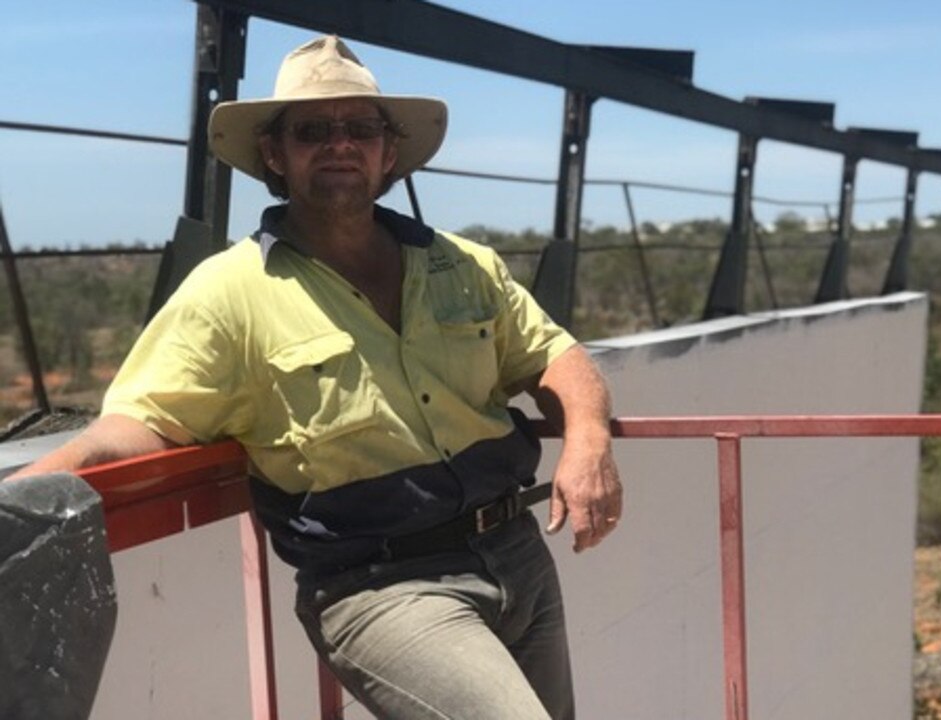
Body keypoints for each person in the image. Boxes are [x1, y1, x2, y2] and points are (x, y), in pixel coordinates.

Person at [11, 35, 621, 719]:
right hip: (383, 588)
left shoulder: (464, 265)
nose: (340, 144)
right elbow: (142, 421)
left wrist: (588, 439)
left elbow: (555, 356)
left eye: (360, 127)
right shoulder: (230, 294)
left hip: (517, 551)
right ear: (276, 154)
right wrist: (31, 491)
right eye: (313, 130)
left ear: (388, 151)